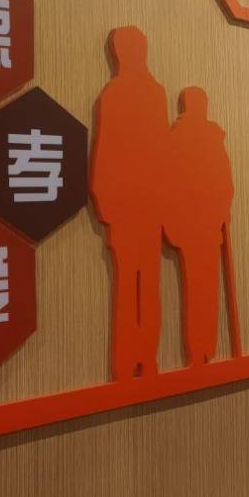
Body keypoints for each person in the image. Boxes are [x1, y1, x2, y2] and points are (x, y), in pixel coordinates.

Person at [90, 27, 169, 380]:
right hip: (147, 205)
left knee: (129, 285)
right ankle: (145, 359)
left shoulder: (116, 93)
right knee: (147, 285)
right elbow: (162, 152)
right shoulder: (155, 93)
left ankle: (128, 362)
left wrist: (103, 200)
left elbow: (106, 151)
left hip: (126, 206)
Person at [165, 88, 234, 366]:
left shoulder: (180, 138)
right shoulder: (205, 139)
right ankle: (202, 349)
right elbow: (224, 183)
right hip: (201, 225)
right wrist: (221, 212)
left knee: (199, 289)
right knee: (204, 288)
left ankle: (202, 349)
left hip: (196, 226)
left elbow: (224, 183)